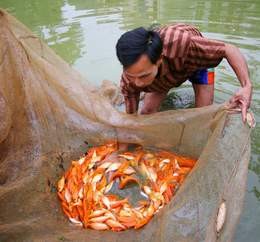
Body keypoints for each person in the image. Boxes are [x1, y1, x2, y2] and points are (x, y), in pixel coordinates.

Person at [116, 23, 252, 122]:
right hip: (164, 73)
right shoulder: (129, 83)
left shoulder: (181, 44)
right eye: (132, 76)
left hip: (196, 63)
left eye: (143, 75)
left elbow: (228, 49)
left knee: (202, 117)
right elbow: (131, 121)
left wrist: (246, 86)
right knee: (146, 113)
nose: (138, 84)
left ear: (159, 60)